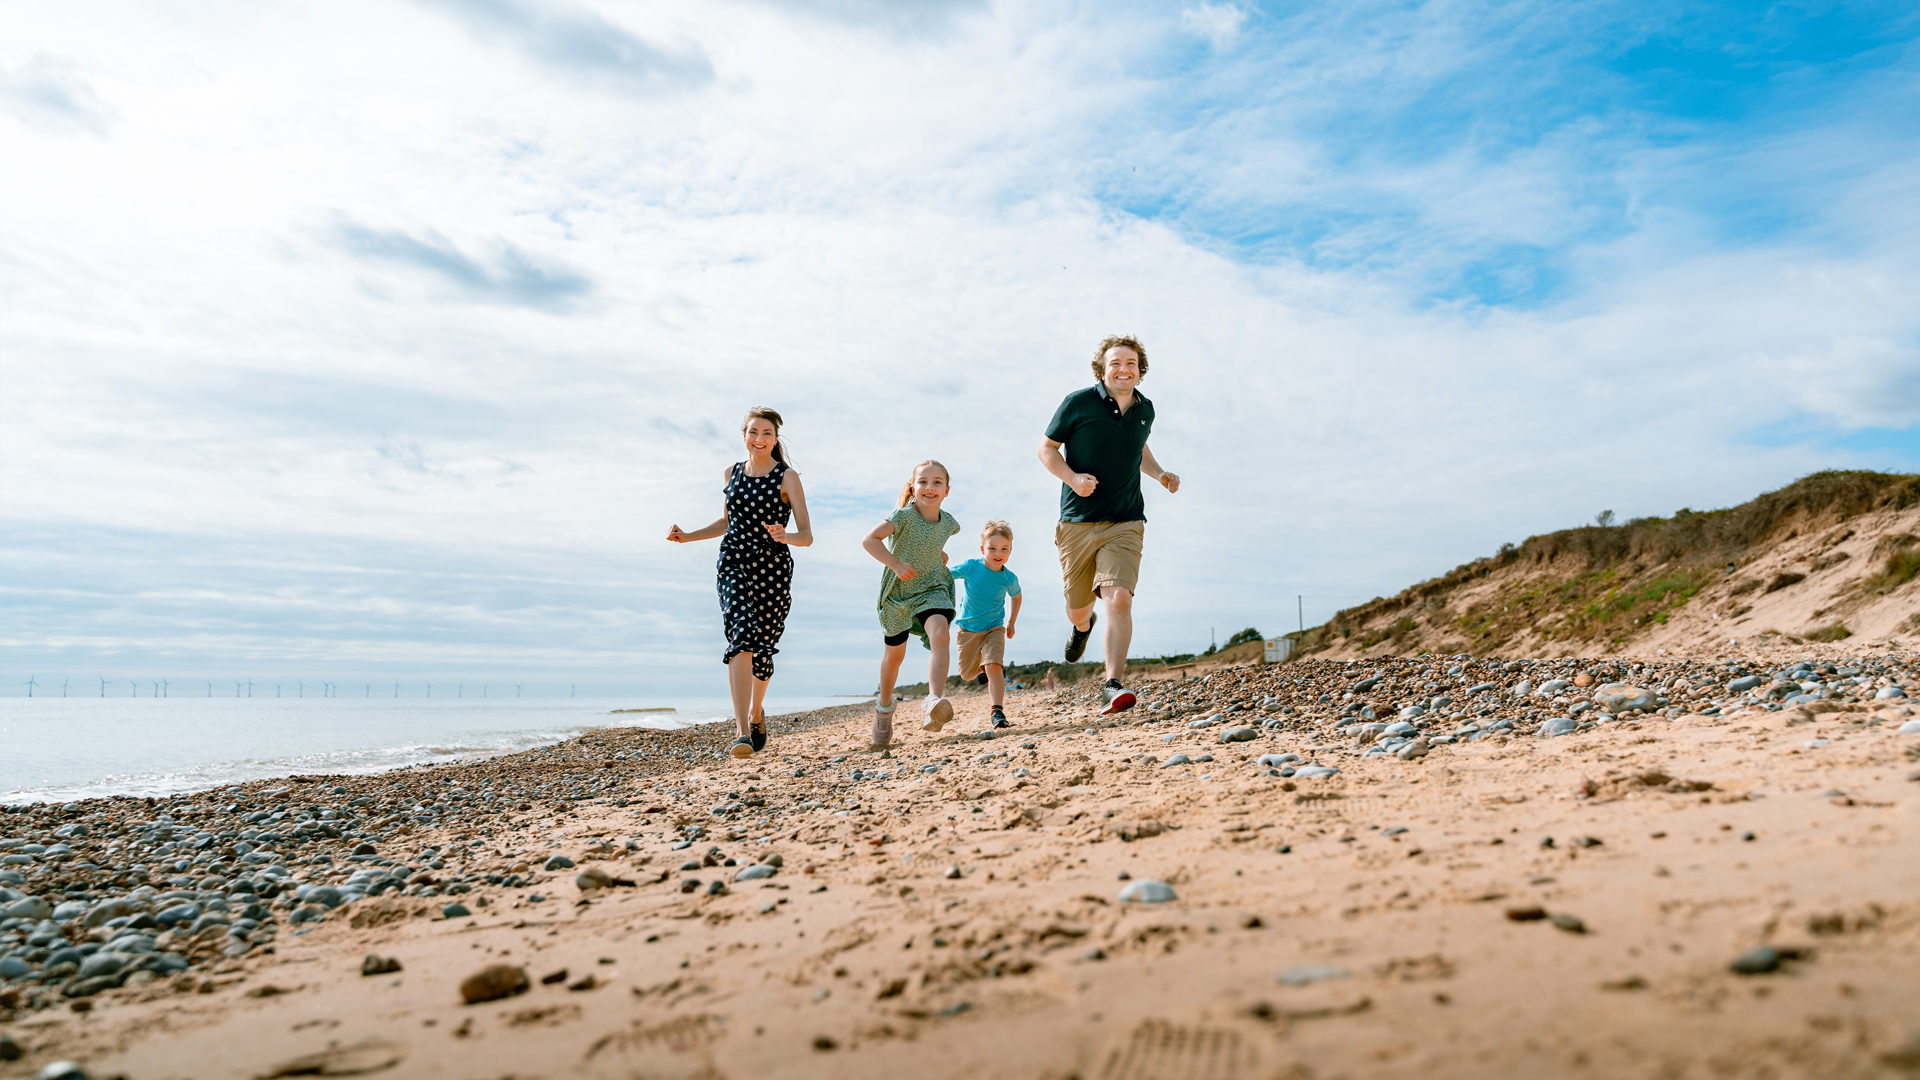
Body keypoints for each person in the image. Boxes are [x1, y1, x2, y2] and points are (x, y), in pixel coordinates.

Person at [1038, 334, 1179, 715]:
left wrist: (1160, 473)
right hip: (1077, 523)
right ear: (1102, 368)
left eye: (1130, 363)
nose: (1123, 369)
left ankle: (1112, 683)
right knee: (1078, 607)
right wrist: (1072, 479)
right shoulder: (1078, 403)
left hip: (1126, 519)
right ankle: (1082, 628)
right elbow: (1046, 449)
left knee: (1120, 597)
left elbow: (1140, 448)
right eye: (1115, 363)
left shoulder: (1145, 409)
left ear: (1140, 369)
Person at [667, 407, 813, 759]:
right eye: (753, 432)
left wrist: (786, 535)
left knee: (762, 653)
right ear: (744, 435)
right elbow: (725, 523)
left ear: (775, 439)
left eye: (766, 433)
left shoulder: (787, 477)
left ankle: (755, 710)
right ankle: (741, 733)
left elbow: (807, 536)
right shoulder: (731, 473)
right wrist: (687, 537)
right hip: (733, 562)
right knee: (741, 637)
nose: (759, 439)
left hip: (773, 568)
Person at [862, 460, 961, 747]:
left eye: (937, 482)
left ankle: (933, 700)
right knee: (894, 657)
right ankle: (883, 708)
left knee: (941, 633)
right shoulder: (903, 516)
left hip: (932, 586)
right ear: (913, 487)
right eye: (923, 482)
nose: (930, 487)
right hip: (898, 592)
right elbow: (870, 540)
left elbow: (931, 541)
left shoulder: (950, 523)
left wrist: (938, 555)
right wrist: (894, 563)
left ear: (946, 491)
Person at [953, 519, 1023, 729]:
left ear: (1010, 551)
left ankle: (997, 712)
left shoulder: (1009, 578)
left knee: (994, 665)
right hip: (967, 630)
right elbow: (945, 575)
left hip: (994, 628)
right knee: (966, 674)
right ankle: (981, 670)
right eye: (992, 548)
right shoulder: (971, 567)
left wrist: (1011, 622)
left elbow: (1017, 597)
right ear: (983, 548)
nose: (997, 553)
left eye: (1004, 549)